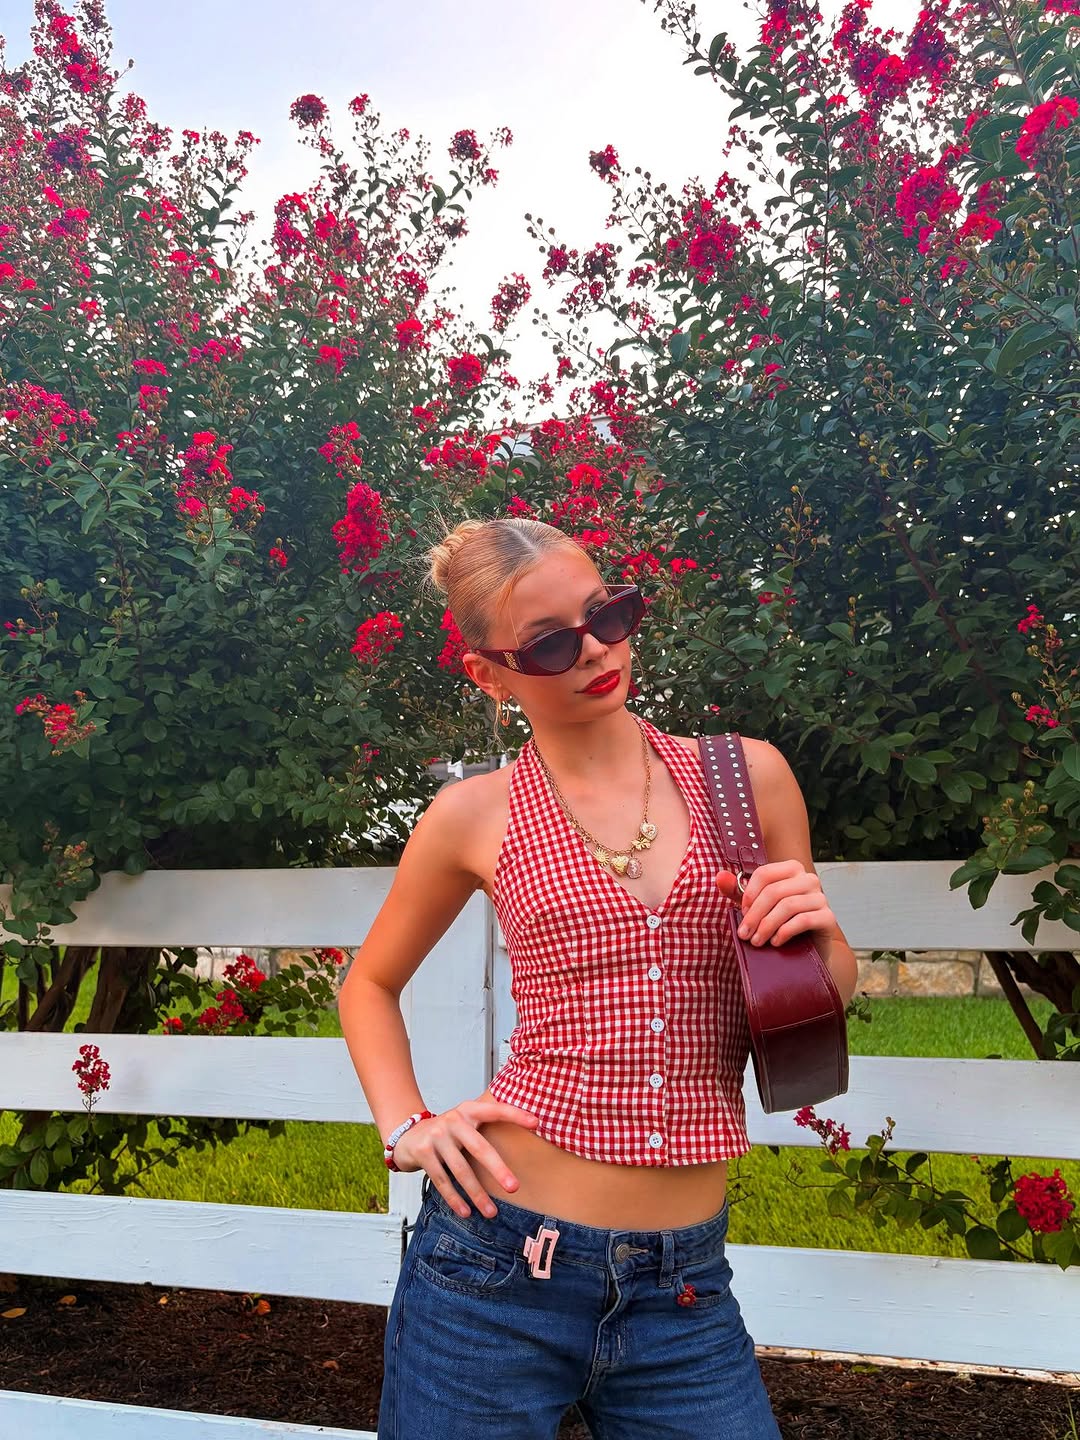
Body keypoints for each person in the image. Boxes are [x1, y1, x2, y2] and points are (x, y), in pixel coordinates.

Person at [338, 516, 859, 1440]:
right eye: (547, 644)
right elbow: (368, 985)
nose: (593, 651)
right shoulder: (472, 815)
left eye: (607, 614)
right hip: (494, 1271)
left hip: (684, 1292)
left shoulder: (748, 780)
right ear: (489, 675)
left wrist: (816, 929)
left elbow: (823, 988)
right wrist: (408, 1126)